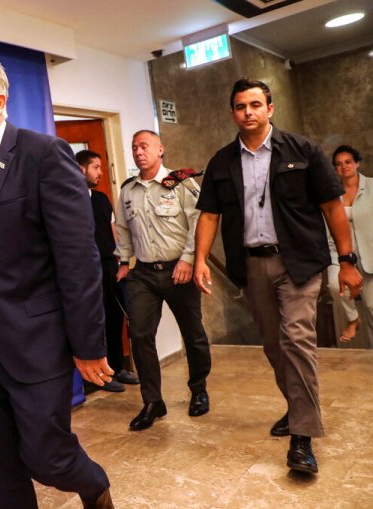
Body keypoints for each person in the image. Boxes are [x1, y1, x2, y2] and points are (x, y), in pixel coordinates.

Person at [0, 51, 113, 509]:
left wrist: (88, 345)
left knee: (47, 458)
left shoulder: (43, 154)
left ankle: (94, 486)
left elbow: (77, 258)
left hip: (38, 339)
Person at [193, 78, 363, 475]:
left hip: (299, 263)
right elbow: (210, 215)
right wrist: (201, 258)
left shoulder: (303, 151)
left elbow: (332, 208)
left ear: (270, 109)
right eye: (240, 106)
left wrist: (348, 259)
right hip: (250, 266)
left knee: (298, 340)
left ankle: (302, 438)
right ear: (233, 113)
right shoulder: (222, 161)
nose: (248, 112)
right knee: (273, 345)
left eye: (255, 104)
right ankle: (296, 406)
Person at [114, 130, 212, 431]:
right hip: (143, 272)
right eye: (134, 148)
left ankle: (198, 389)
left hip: (177, 269)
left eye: (144, 146)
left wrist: (188, 259)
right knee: (140, 335)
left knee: (192, 332)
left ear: (160, 150)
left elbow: (199, 223)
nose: (138, 152)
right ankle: (153, 401)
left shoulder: (181, 183)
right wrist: (122, 261)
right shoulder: (128, 189)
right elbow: (122, 228)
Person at [76, 149, 140, 392]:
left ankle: (117, 367)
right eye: (96, 168)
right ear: (82, 169)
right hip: (85, 270)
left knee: (115, 317)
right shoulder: (70, 199)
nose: (100, 173)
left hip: (109, 266)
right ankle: (97, 375)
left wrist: (122, 262)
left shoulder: (101, 199)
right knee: (94, 321)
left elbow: (113, 231)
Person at [327, 145, 373, 344]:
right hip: (342, 255)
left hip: (371, 256)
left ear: (357, 163)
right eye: (338, 164)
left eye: (347, 162)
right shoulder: (331, 195)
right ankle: (354, 319)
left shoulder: (372, 186)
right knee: (334, 283)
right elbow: (329, 228)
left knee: (372, 307)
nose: (343, 167)